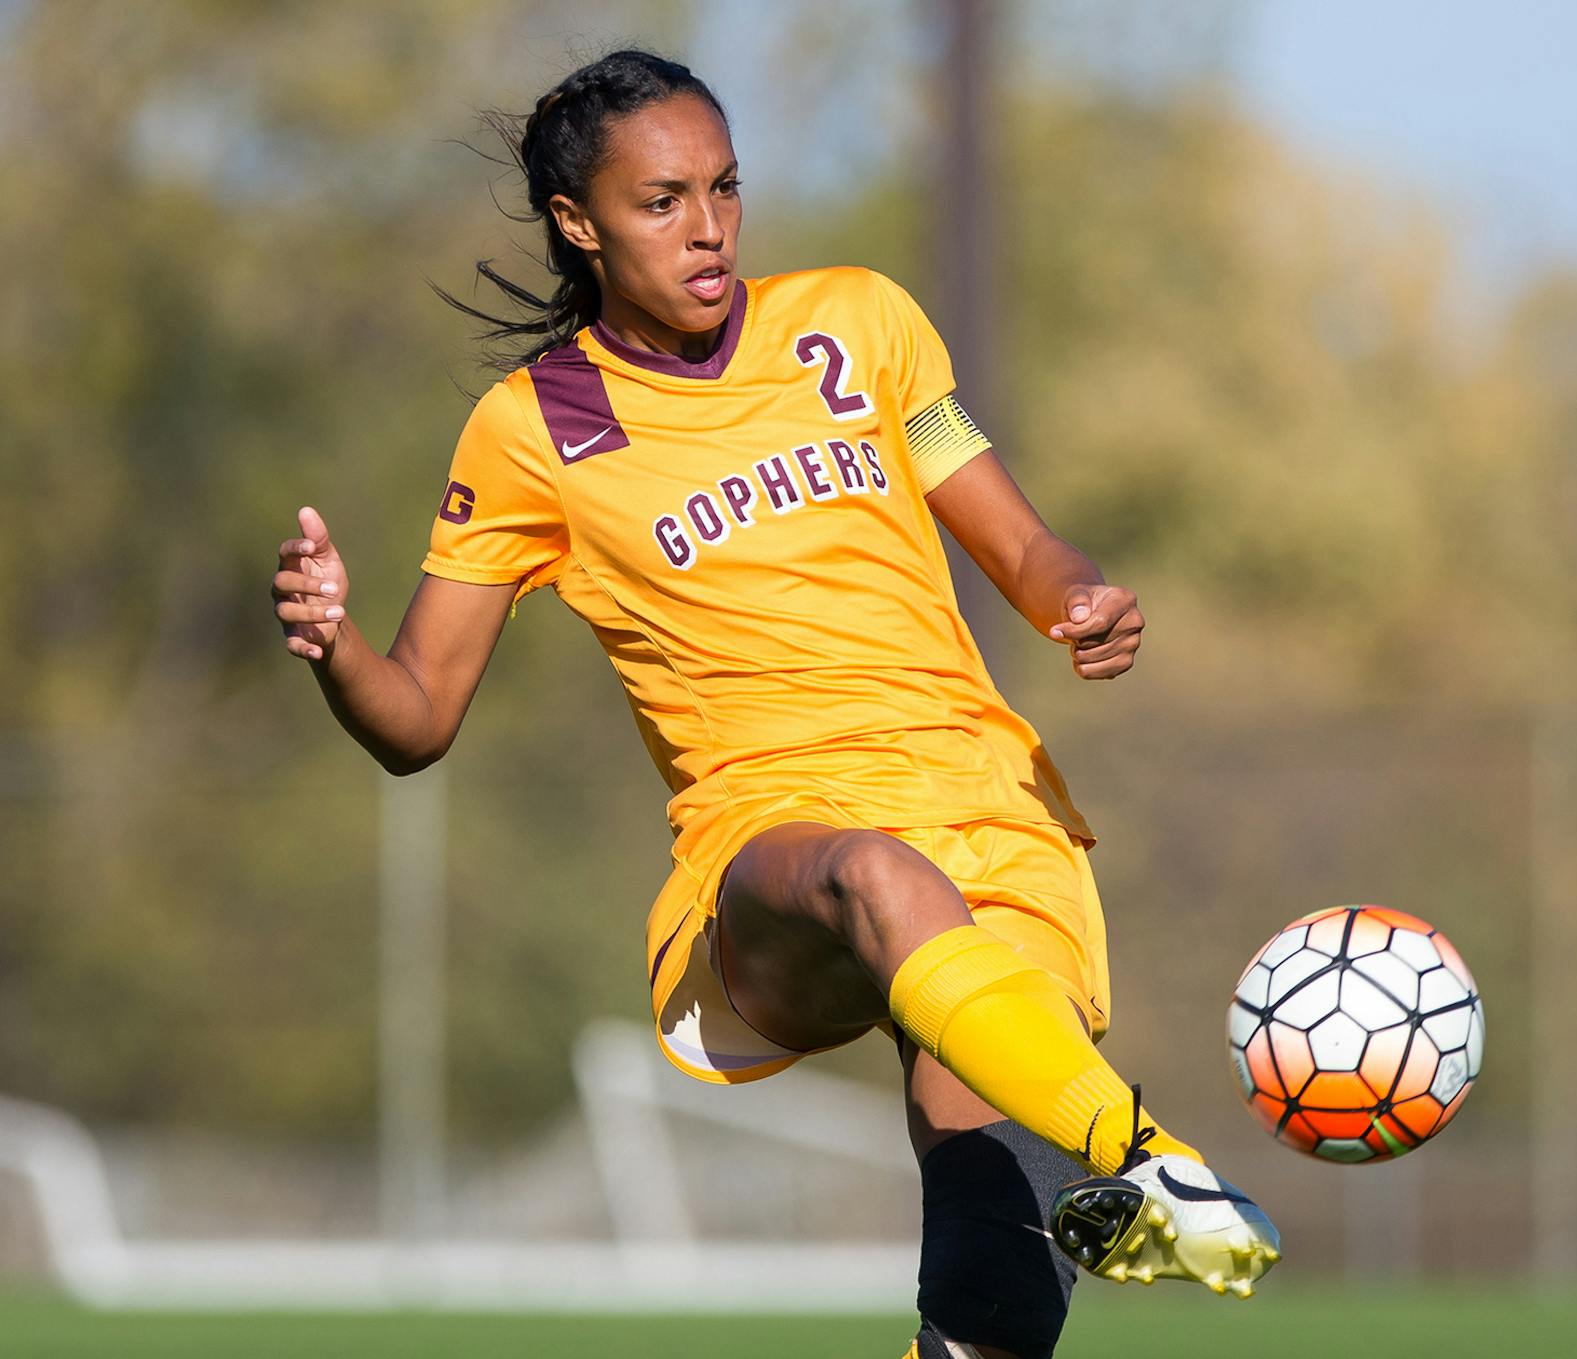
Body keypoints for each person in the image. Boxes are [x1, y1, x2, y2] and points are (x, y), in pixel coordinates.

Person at [268, 49, 1277, 1357]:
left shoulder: (856, 319)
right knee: (875, 873)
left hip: (993, 811)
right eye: (663, 200)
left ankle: (1072, 1186)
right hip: (774, 846)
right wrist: (334, 640)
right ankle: (1144, 1162)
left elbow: (1022, 544)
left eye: (727, 189)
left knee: (990, 1310)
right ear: (578, 224)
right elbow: (414, 718)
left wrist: (1080, 595)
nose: (710, 228)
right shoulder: (538, 425)